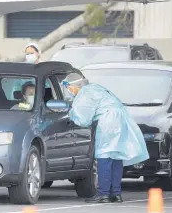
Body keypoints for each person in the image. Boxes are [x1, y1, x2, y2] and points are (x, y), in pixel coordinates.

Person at [62, 72, 149, 203]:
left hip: (108, 122)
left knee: (104, 156)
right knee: (116, 156)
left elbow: (83, 119)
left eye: (68, 88)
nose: (69, 91)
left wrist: (71, 114)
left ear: (74, 86)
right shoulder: (95, 88)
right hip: (121, 120)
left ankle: (103, 194)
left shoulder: (85, 93)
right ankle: (116, 193)